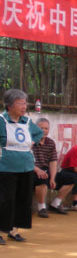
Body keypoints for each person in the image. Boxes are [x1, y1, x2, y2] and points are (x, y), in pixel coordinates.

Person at [0, 89, 43, 244]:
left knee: (22, 200)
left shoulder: (27, 121)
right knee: (5, 200)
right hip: (6, 166)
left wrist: (32, 141)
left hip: (25, 166)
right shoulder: (2, 120)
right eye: (20, 103)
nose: (24, 106)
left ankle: (14, 230)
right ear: (9, 105)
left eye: (25, 103)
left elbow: (39, 133)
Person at [32, 118, 75, 218]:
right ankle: (41, 207)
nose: (44, 131)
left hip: (46, 171)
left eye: (46, 128)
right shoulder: (30, 141)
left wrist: (53, 178)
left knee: (72, 178)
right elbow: (26, 160)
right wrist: (37, 170)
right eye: (41, 128)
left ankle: (56, 203)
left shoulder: (50, 143)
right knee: (42, 177)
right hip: (33, 171)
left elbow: (53, 162)